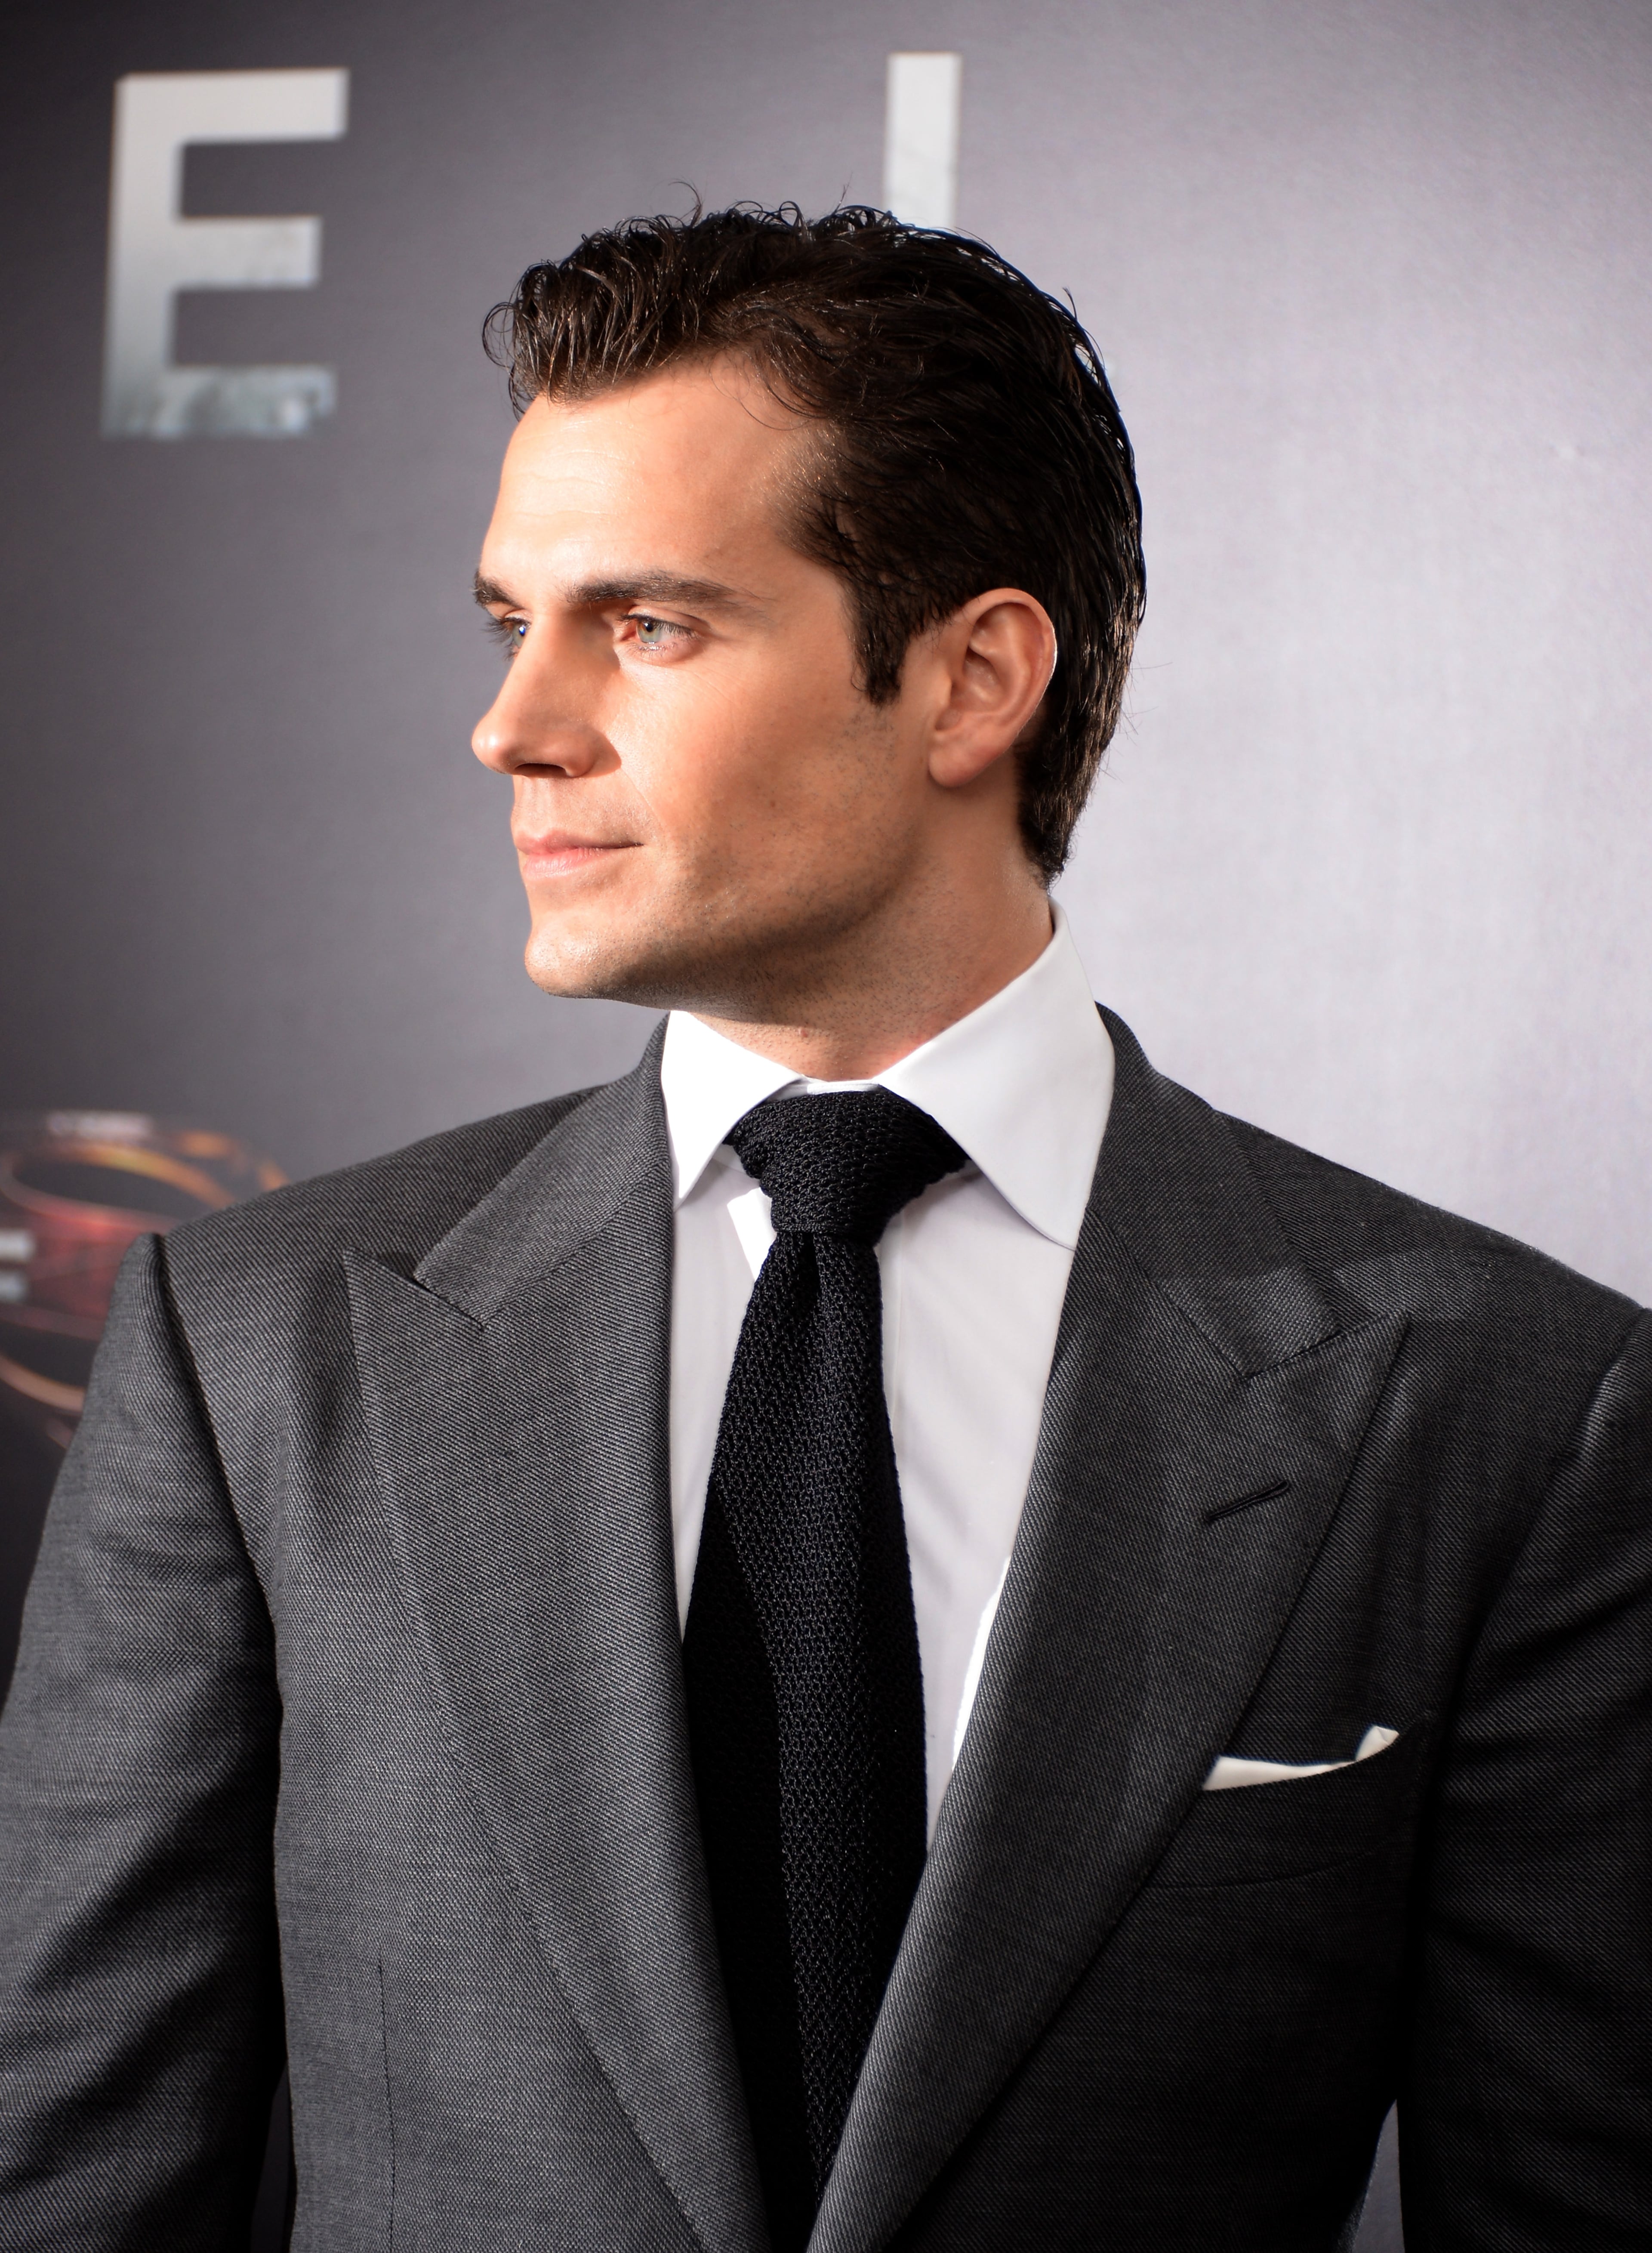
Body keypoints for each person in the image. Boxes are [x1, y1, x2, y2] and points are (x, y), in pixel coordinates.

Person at [0, 204, 1647, 2253]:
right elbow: (73, 2180)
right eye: (511, 621)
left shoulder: (1505, 1404)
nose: (516, 724)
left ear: (973, 679)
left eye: (648, 625)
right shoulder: (253, 1349)